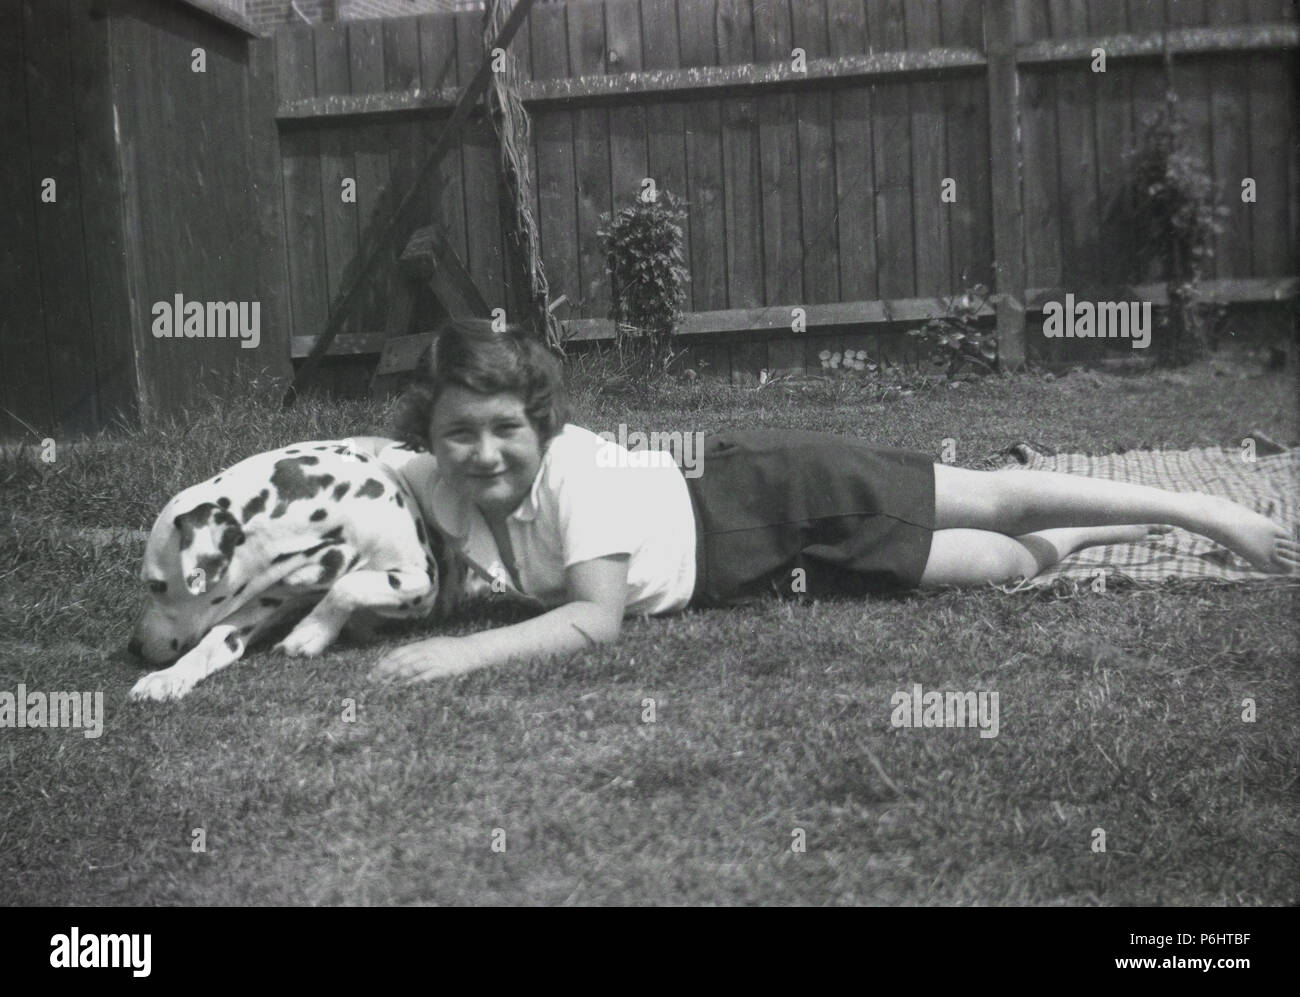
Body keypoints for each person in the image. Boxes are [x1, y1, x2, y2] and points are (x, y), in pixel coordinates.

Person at [369, 320, 1297, 683]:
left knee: (1000, 504)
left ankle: (1213, 515)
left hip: (774, 496)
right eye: (460, 433)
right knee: (1005, 565)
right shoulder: (440, 478)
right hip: (758, 562)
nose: (484, 452)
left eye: (505, 428)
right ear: (433, 437)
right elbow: (358, 471)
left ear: (539, 423)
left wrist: (462, 651)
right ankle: (1111, 526)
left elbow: (595, 620)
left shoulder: (576, 475)